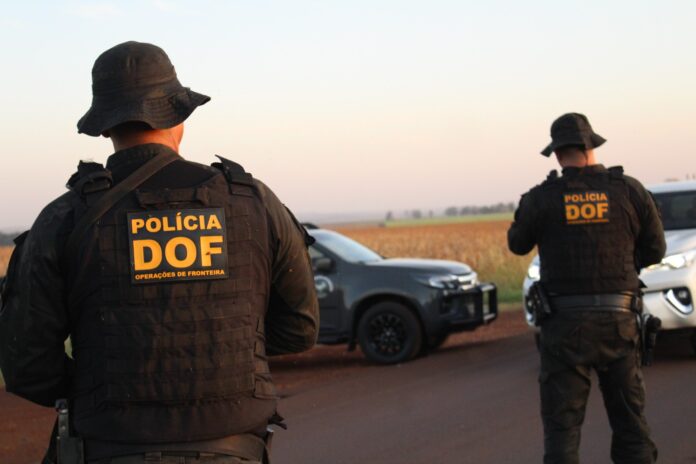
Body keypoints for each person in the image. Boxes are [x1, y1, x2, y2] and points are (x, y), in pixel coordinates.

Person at [0, 41, 319, 463]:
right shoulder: (254, 203)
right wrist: (225, 358)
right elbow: (299, 329)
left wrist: (106, 382)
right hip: (235, 450)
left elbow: (26, 365)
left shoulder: (65, 217)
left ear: (105, 127)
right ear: (179, 116)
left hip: (108, 449)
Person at [508, 113, 665, 464]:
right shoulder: (629, 190)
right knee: (631, 428)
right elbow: (656, 250)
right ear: (591, 146)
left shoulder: (541, 198)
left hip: (563, 328)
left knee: (562, 432)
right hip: (620, 324)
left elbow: (517, 244)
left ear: (556, 153)